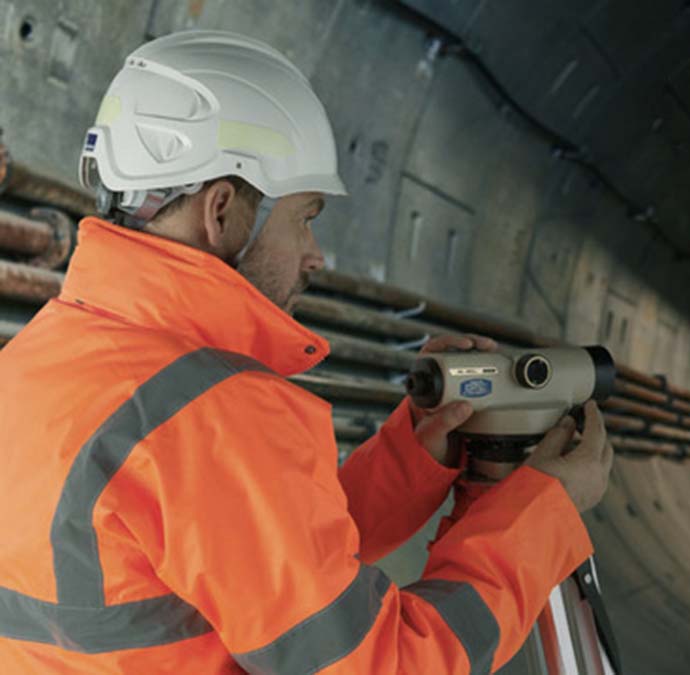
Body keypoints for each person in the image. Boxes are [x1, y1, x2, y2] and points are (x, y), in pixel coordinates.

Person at [0, 29, 612, 673]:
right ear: (221, 210)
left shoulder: (36, 360)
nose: (314, 256)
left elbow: (252, 561)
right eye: (306, 217)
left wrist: (415, 456)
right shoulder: (214, 412)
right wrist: (546, 511)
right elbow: (386, 664)